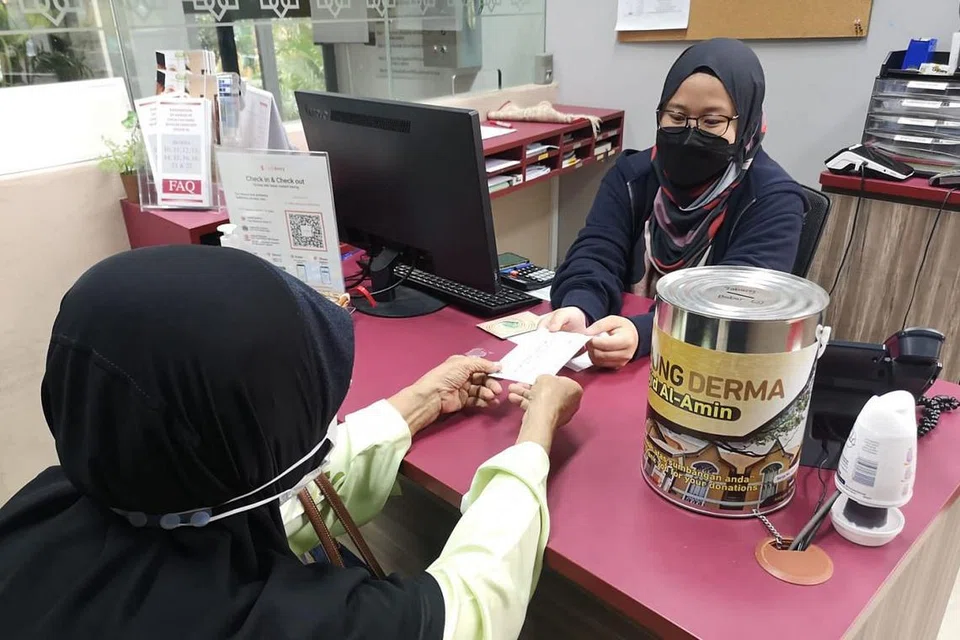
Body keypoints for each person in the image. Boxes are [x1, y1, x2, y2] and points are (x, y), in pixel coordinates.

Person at [0, 245, 583, 639]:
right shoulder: (266, 622)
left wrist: (422, 401)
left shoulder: (65, 499)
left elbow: (257, 506)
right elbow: (472, 603)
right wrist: (536, 437)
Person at [543, 38, 806, 370]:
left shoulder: (772, 201)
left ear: (748, 124)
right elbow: (596, 251)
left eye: (712, 122)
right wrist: (580, 308)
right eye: (676, 117)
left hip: (710, 374)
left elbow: (733, 304)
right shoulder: (631, 176)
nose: (690, 134)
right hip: (617, 364)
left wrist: (644, 332)